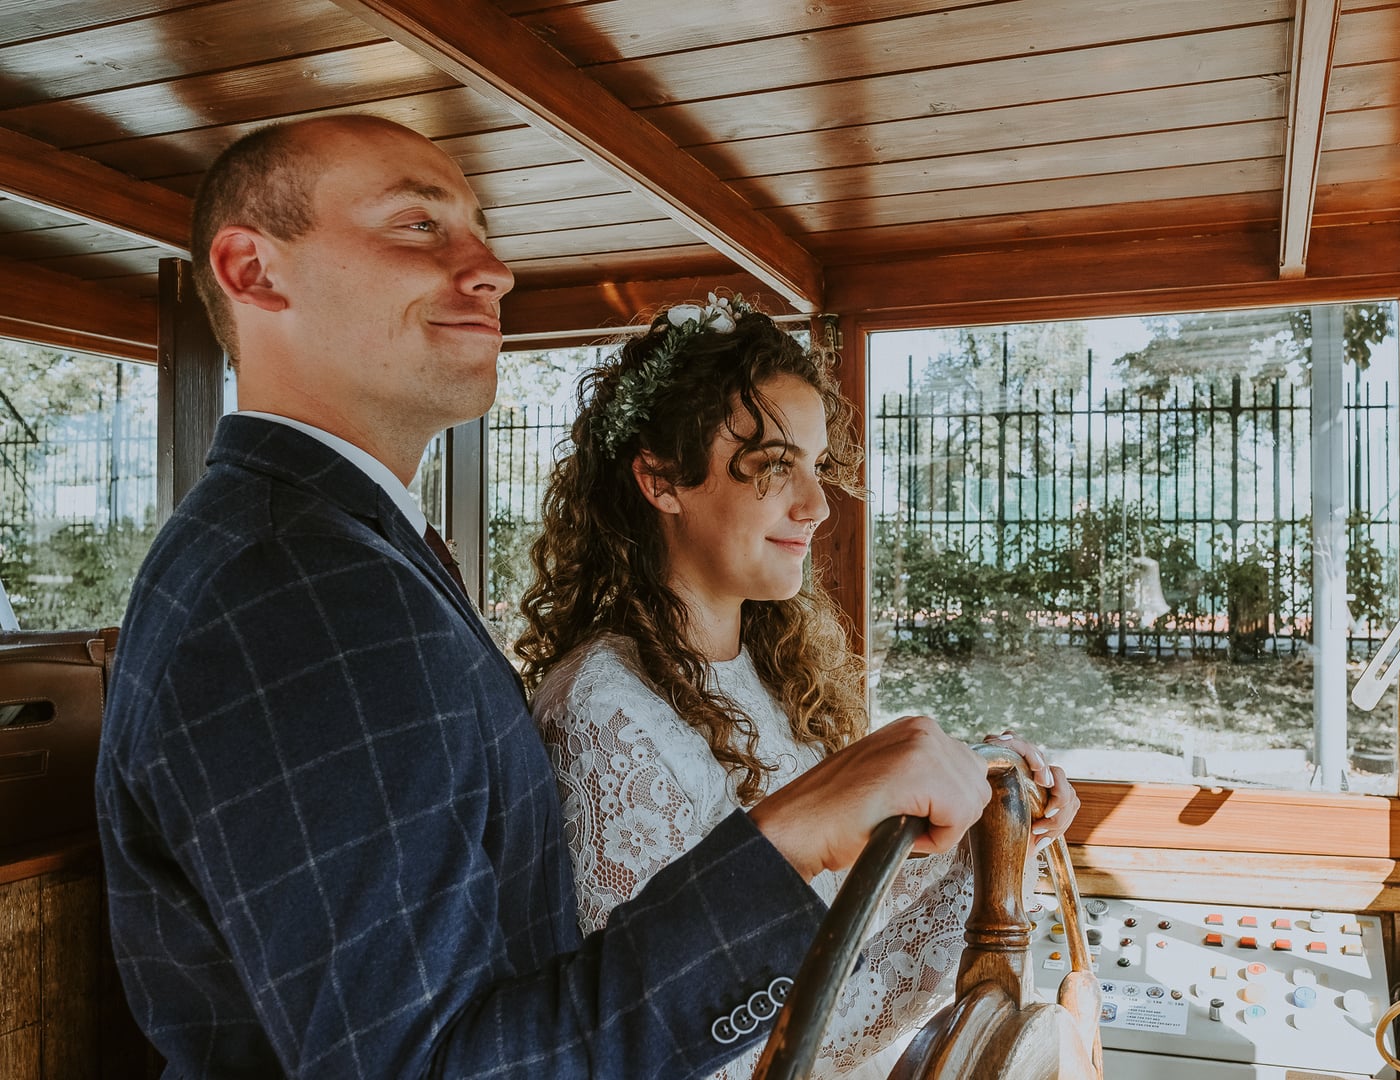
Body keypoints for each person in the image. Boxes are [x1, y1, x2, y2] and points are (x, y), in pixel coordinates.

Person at [94, 114, 994, 1080]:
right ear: (253, 271)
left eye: (481, 231)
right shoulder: (300, 585)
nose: (490, 267)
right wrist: (785, 839)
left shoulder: (343, 548)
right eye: (416, 225)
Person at [516, 294, 1080, 1077]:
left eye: (815, 465)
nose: (815, 506)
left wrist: (995, 814)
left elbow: (845, 903)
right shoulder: (601, 709)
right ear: (660, 479)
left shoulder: (779, 673)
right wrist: (980, 878)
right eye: (775, 466)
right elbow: (702, 1031)